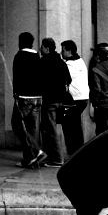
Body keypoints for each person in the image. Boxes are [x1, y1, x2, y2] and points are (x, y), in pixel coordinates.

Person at [11, 32, 46, 168]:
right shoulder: (37, 56)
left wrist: (16, 93)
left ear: (20, 42)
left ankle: (33, 153)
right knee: (32, 128)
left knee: (17, 124)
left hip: (24, 97)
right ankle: (32, 157)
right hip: (37, 98)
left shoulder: (19, 56)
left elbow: (16, 77)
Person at [38, 37, 71, 167]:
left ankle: (57, 158)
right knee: (52, 129)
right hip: (60, 100)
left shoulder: (43, 61)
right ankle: (52, 156)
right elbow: (68, 79)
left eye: (42, 47)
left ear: (46, 48)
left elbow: (39, 81)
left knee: (50, 129)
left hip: (49, 100)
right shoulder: (61, 62)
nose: (40, 49)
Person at [61, 40, 90, 156]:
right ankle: (79, 152)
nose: (61, 52)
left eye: (62, 50)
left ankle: (73, 154)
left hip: (75, 99)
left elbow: (64, 81)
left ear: (69, 51)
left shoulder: (69, 65)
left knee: (69, 128)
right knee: (76, 126)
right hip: (83, 98)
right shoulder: (80, 61)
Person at [89, 42, 108, 134]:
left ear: (98, 55)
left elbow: (96, 90)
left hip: (102, 105)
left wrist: (94, 103)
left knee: (101, 133)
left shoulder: (96, 70)